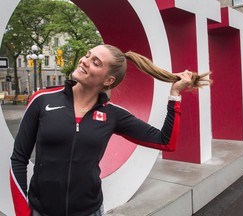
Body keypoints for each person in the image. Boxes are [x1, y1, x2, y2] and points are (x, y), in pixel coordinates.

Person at [10, 44, 211, 216]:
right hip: (41, 211)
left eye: (96, 62)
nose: (84, 61)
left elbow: (165, 141)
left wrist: (174, 95)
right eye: (88, 55)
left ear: (108, 81)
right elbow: (18, 158)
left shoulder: (113, 115)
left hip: (90, 211)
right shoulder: (42, 99)